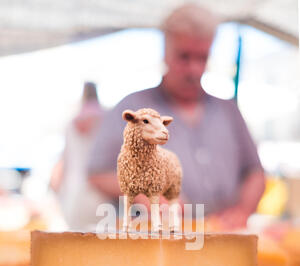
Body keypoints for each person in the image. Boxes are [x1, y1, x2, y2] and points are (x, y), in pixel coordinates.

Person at [88, 4, 265, 229]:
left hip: (222, 241)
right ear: (165, 51)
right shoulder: (133, 108)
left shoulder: (228, 111)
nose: (193, 69)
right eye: (184, 57)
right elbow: (97, 173)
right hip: (157, 238)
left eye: (202, 58)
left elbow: (255, 173)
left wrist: (241, 211)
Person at [51, 82, 109, 230]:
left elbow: (65, 160)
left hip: (74, 189)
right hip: (102, 192)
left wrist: (56, 189)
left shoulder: (72, 122)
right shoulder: (107, 118)